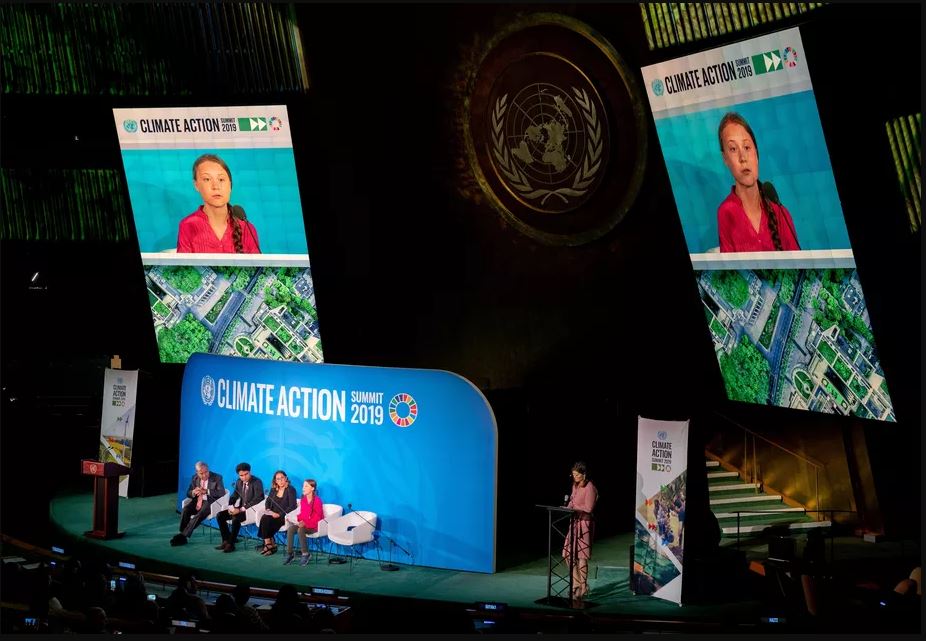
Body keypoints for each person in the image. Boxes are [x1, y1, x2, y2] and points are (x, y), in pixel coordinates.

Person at [716, 112, 800, 253]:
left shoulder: (780, 212)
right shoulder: (726, 212)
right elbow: (730, 274)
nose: (743, 158)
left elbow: (801, 269)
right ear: (725, 158)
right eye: (733, 149)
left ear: (756, 152)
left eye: (747, 147)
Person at [176, 154, 261, 254]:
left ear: (230, 185)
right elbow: (185, 269)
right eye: (207, 179)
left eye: (221, 180)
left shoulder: (247, 228)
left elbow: (258, 269)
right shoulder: (188, 225)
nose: (216, 186)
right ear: (196, 185)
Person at [563, 461, 598, 600]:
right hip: (574, 522)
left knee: (582, 557)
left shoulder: (590, 488)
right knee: (567, 554)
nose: (574, 477)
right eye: (573, 475)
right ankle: (576, 583)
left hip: (584, 524)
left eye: (577, 475)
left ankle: (583, 586)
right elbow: (572, 501)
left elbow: (589, 509)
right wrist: (567, 507)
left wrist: (574, 507)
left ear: (584, 474)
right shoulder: (575, 485)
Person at [171, 460, 225, 546]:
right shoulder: (194, 478)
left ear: (208, 469)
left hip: (210, 501)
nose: (204, 475)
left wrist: (206, 491)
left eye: (206, 472)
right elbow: (188, 493)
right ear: (197, 472)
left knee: (199, 514)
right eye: (201, 473)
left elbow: (221, 492)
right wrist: (193, 492)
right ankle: (183, 535)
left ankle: (182, 536)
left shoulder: (217, 477)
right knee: (185, 510)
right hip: (197, 501)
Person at [215, 462, 264, 553]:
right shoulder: (238, 482)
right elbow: (235, 495)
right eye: (241, 475)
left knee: (235, 518)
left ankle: (231, 544)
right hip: (240, 509)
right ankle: (225, 541)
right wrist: (230, 507)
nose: (244, 477)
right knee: (220, 515)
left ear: (250, 472)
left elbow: (259, 498)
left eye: (246, 474)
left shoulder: (257, 482)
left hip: (251, 511)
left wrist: (241, 509)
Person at [284, 479, 324, 566]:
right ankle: (290, 553)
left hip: (314, 526)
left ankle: (306, 554)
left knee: (300, 530)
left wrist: (305, 523)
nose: (303, 488)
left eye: (306, 486)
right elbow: (302, 514)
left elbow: (319, 519)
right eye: (303, 486)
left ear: (312, 488)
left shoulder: (317, 501)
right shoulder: (303, 500)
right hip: (304, 524)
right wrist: (293, 519)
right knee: (291, 528)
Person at [257, 470, 297, 556]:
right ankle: (269, 543)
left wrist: (280, 514)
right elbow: (267, 501)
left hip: (284, 517)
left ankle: (269, 544)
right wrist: (268, 510)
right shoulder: (274, 489)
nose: (280, 480)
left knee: (265, 519)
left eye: (282, 478)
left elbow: (292, 506)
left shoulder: (290, 489)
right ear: (275, 480)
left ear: (286, 478)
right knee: (265, 517)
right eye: (278, 479)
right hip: (272, 514)